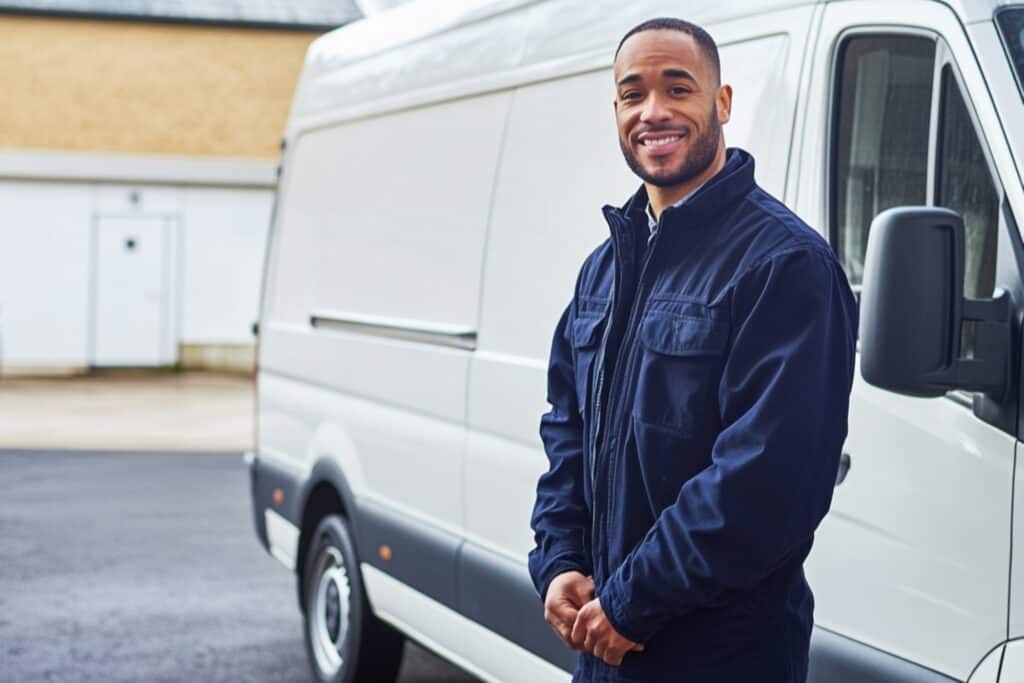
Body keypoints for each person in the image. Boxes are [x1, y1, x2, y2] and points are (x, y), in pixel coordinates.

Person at [527, 17, 858, 683]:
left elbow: (766, 484)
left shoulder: (785, 264)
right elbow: (568, 432)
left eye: (678, 88)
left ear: (723, 102)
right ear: (616, 110)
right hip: (604, 649)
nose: (654, 111)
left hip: (722, 658)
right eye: (633, 93)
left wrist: (628, 603)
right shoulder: (604, 269)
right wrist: (561, 558)